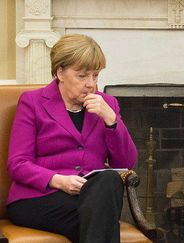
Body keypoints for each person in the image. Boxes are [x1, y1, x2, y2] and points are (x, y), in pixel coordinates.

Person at [6, 34, 137, 243]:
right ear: (60, 72)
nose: (91, 84)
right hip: (39, 198)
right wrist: (58, 181)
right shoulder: (32, 102)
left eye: (95, 75)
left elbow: (126, 164)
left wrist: (111, 121)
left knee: (109, 181)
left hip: (89, 198)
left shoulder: (108, 104)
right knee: (100, 218)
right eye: (82, 76)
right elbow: (17, 163)